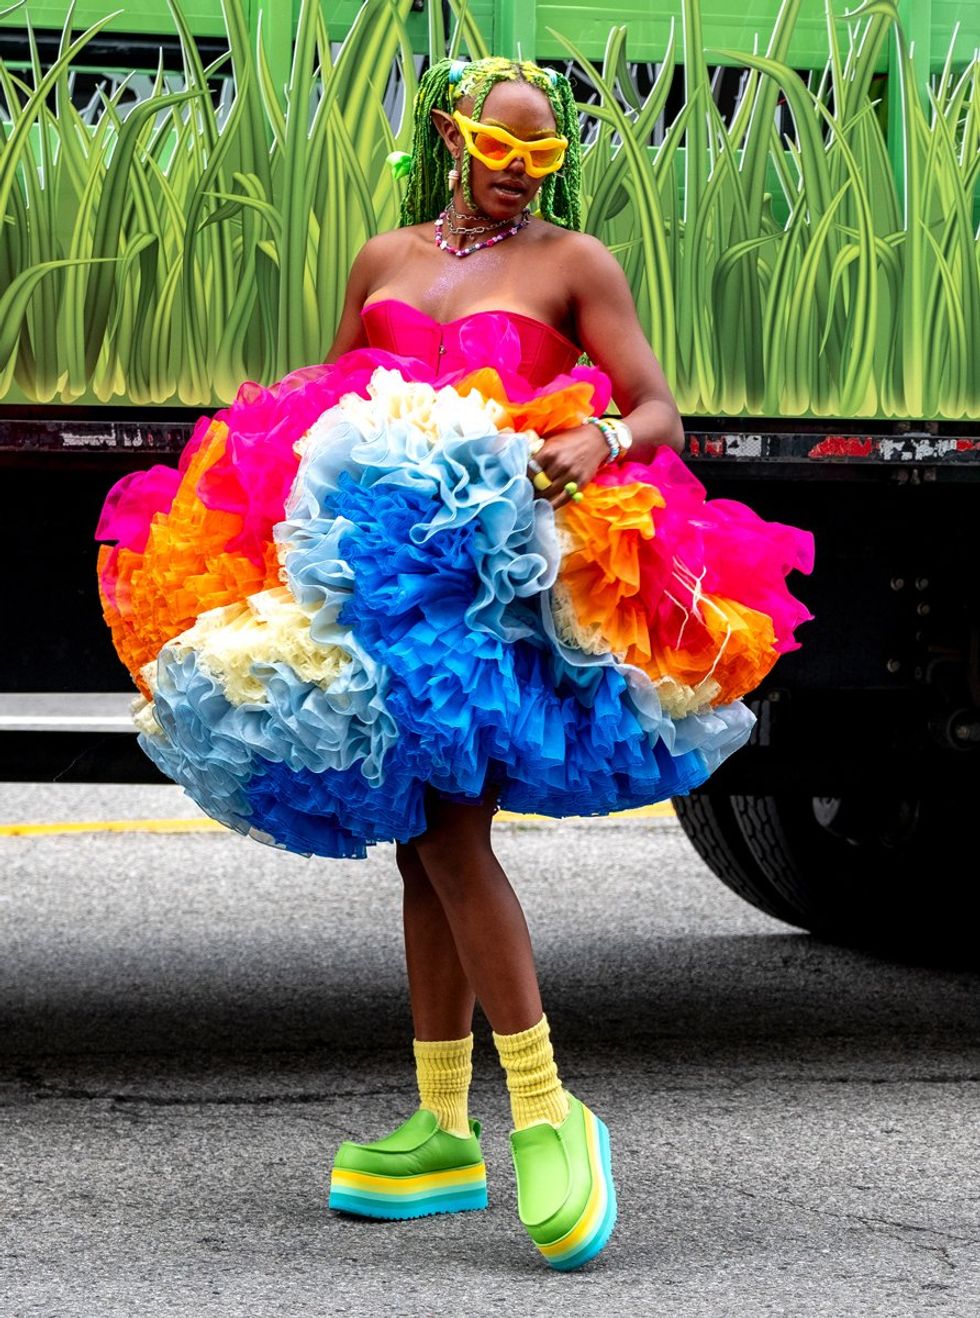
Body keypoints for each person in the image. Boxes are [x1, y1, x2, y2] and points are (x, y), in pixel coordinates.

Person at [95, 56, 813, 1272]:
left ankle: (543, 1108)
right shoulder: (382, 256)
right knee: (421, 844)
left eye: (540, 160)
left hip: (495, 581)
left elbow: (656, 411)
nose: (516, 177)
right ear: (454, 135)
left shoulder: (575, 264)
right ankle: (437, 1128)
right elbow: (324, 402)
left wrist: (597, 433)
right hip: (376, 580)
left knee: (450, 836)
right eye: (500, 151)